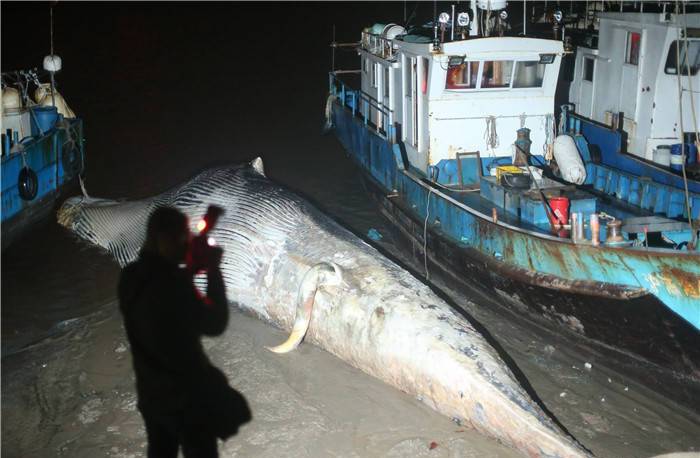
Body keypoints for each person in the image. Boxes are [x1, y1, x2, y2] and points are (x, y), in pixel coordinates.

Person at [118, 206, 250, 458]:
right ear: (163, 239)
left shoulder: (129, 277)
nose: (185, 246)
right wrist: (212, 270)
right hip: (187, 402)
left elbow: (158, 292)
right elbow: (215, 324)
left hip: (151, 397)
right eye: (181, 239)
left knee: (159, 452)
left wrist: (187, 271)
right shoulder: (175, 285)